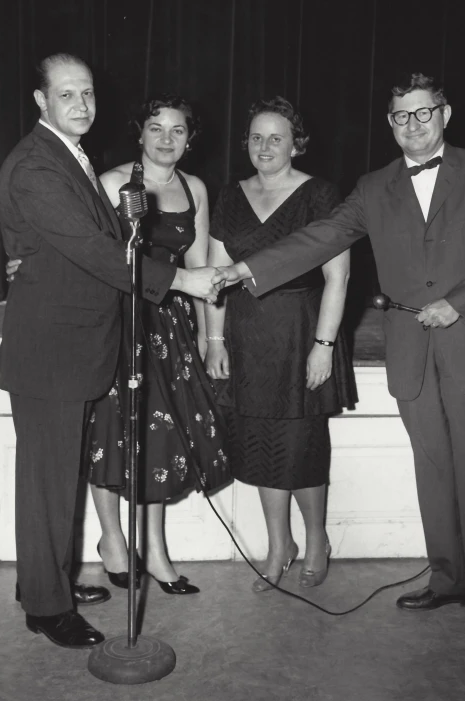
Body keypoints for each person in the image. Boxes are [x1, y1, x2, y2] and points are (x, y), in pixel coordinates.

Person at [213, 74, 465, 647]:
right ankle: (449, 579)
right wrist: (245, 270)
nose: (412, 125)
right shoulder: (374, 186)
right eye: (400, 116)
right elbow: (320, 236)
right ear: (389, 123)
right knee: (434, 476)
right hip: (412, 352)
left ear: (445, 113)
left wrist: (458, 304)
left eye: (422, 113)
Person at [0, 53, 221, 649]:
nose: (81, 104)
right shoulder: (37, 167)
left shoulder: (69, 158)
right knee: (47, 482)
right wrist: (181, 281)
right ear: (41, 101)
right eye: (66, 94)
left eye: (88, 92)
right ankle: (48, 608)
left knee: (53, 480)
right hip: (53, 352)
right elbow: (97, 253)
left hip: (71, 346)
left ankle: (43, 582)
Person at [205, 97, 357, 592]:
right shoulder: (230, 196)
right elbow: (215, 276)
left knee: (303, 444)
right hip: (247, 336)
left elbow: (338, 278)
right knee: (260, 446)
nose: (264, 146)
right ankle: (278, 546)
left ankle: (316, 541)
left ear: (296, 142)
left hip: (300, 331)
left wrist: (323, 345)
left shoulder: (319, 194)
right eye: (256, 137)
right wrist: (214, 339)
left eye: (276, 137)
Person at [87, 94, 230, 594]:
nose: (166, 138)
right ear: (139, 133)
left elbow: (199, 271)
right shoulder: (110, 184)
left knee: (156, 440)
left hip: (168, 330)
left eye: (177, 130)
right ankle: (112, 541)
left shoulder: (194, 188)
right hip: (118, 322)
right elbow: (95, 260)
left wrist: (213, 339)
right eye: (156, 128)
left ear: (190, 139)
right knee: (111, 433)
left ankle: (155, 550)